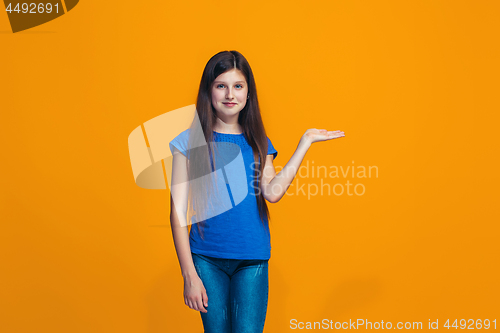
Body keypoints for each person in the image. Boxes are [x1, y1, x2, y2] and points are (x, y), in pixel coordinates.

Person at [169, 50, 345, 333]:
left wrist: (305, 143)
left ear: (248, 94)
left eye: (238, 86)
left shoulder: (258, 142)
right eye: (221, 86)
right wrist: (188, 274)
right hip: (205, 259)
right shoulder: (188, 143)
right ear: (209, 91)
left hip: (252, 260)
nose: (230, 94)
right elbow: (177, 214)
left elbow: (272, 193)